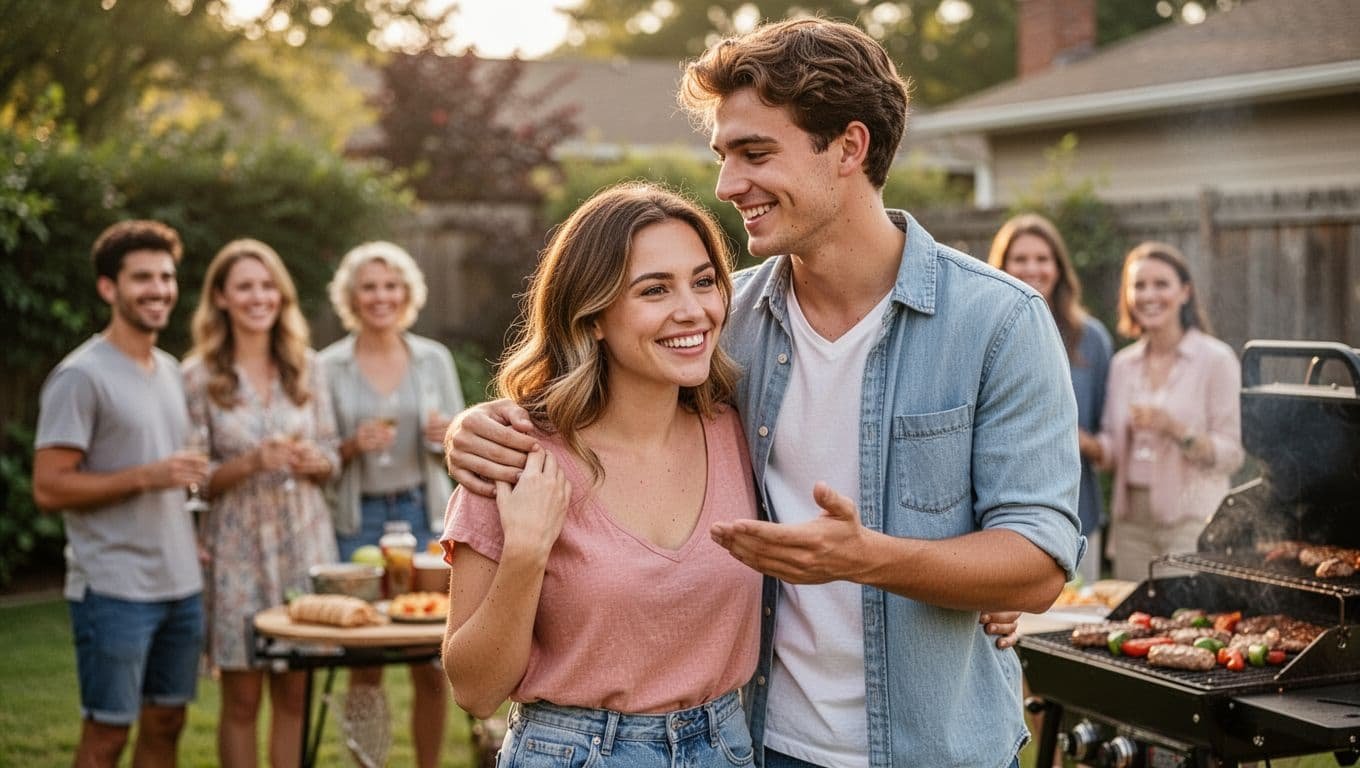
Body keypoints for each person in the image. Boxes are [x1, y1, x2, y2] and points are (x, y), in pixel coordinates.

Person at [445, 18, 1084, 768]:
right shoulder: (723, 322)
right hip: (760, 744)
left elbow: (1039, 563)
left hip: (940, 747)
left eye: (755, 153)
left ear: (849, 147)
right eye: (723, 156)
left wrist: (864, 557)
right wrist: (482, 424)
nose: (726, 185)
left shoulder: (997, 323)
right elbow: (605, 386)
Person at [441, 182, 763, 766]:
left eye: (705, 280)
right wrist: (525, 555)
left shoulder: (741, 429)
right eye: (654, 290)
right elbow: (475, 691)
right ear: (592, 317)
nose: (692, 310)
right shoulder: (514, 456)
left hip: (726, 744)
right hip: (575, 753)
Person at [32, 219, 208, 768]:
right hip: (113, 588)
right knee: (108, 732)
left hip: (181, 584)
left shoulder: (170, 370)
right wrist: (146, 476)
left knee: (167, 724)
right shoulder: (80, 377)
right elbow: (49, 486)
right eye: (142, 278)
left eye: (166, 276)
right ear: (109, 288)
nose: (158, 289)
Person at [182, 238, 340, 768]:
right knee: (243, 695)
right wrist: (250, 463)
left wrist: (316, 461)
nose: (259, 296)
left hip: (303, 538)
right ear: (221, 298)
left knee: (295, 691)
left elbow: (331, 452)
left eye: (267, 285)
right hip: (236, 549)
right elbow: (193, 479)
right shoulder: (198, 377)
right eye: (245, 286)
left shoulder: (309, 367)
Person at [318, 241, 462, 768]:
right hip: (359, 522)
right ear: (351, 298)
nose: (381, 297)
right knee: (365, 658)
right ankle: (365, 764)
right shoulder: (327, 366)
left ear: (407, 294)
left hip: (425, 514)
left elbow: (460, 441)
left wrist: (447, 433)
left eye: (391, 286)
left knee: (433, 657)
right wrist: (352, 445)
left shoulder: (432, 358)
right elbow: (319, 456)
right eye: (370, 287)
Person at [1083, 241, 1242, 582]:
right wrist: (1083, 442)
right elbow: (1111, 452)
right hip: (1131, 525)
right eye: (1138, 285)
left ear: (1184, 292)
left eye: (1161, 284)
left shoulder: (1216, 360)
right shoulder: (1122, 365)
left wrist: (1176, 429)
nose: (1148, 294)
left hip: (1193, 518)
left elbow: (1232, 455)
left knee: (1183, 622)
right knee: (1129, 625)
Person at [989, 214, 1113, 583]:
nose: (1032, 268)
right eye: (1020, 259)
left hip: (1077, 514)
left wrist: (1067, 433)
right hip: (997, 521)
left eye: (1042, 259)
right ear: (1001, 265)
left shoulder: (1091, 339)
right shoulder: (983, 333)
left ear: (1059, 267)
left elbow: (1110, 443)